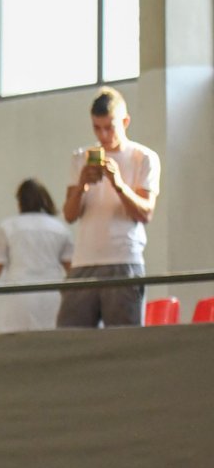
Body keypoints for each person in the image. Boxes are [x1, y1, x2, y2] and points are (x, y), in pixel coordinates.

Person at [56, 86, 160, 327]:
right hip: (83, 262)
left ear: (125, 121)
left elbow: (146, 212)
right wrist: (82, 183)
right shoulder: (80, 157)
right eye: (96, 127)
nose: (103, 135)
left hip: (123, 260)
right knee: (69, 341)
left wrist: (119, 184)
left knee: (123, 344)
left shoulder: (143, 158)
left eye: (109, 127)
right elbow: (69, 215)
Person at [0, 179, 74, 332]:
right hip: (52, 293)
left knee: (17, 340)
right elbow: (72, 270)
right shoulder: (60, 229)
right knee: (49, 338)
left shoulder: (9, 227)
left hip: (19, 292)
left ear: (20, 201)